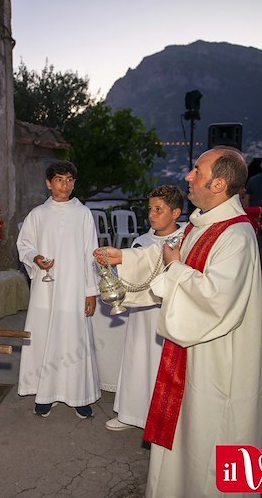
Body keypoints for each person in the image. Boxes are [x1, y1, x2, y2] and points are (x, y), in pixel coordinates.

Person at [95, 146, 262, 497]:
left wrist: (174, 268)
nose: (188, 176)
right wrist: (121, 257)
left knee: (217, 443)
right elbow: (161, 255)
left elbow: (216, 299)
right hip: (189, 359)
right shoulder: (203, 225)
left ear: (218, 184)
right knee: (185, 446)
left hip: (218, 366)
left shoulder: (237, 236)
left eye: (197, 171)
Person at [17, 161, 101, 419]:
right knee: (45, 337)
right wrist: (35, 258)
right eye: (59, 179)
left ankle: (79, 396)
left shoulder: (83, 213)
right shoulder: (38, 215)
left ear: (74, 183)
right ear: (48, 183)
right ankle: (45, 393)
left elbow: (91, 254)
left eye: (69, 180)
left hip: (76, 288)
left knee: (73, 337)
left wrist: (90, 291)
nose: (64, 185)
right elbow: (24, 244)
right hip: (47, 289)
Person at [105, 185, 185, 432]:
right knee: (137, 360)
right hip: (142, 313)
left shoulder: (186, 240)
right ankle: (131, 414)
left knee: (163, 366)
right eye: (150, 209)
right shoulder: (141, 241)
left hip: (170, 313)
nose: (151, 214)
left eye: (159, 209)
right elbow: (134, 274)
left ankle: (166, 420)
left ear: (176, 213)